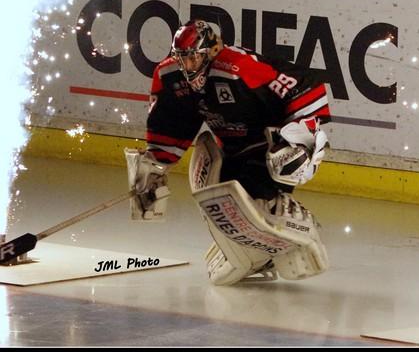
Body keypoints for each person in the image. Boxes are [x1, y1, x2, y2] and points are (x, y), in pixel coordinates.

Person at [126, 19, 332, 285]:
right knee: (221, 199)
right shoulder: (170, 76)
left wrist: (302, 137)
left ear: (211, 51)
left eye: (193, 57)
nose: (187, 66)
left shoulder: (238, 67)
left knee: (266, 195)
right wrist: (156, 166)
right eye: (182, 58)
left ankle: (295, 221)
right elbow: (171, 122)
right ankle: (256, 254)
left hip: (267, 146)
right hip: (231, 150)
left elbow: (306, 85)